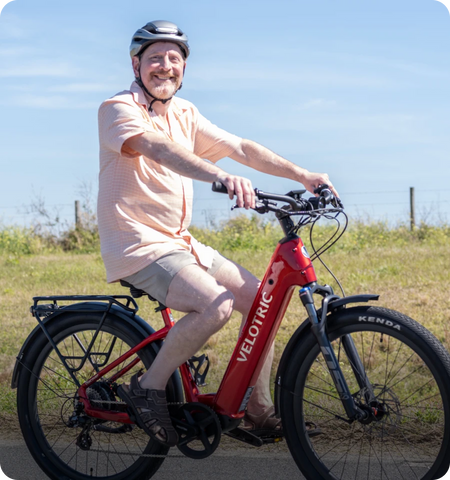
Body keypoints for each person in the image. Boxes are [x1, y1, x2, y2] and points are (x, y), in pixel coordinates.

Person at [97, 20, 338, 447]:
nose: (165, 66)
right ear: (136, 64)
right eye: (155, 57)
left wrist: (303, 175)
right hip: (138, 242)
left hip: (178, 239)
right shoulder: (118, 109)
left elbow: (241, 147)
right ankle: (147, 387)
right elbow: (158, 148)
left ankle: (257, 410)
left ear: (184, 69)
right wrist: (220, 178)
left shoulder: (185, 113)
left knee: (258, 300)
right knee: (216, 304)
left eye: (175, 59)